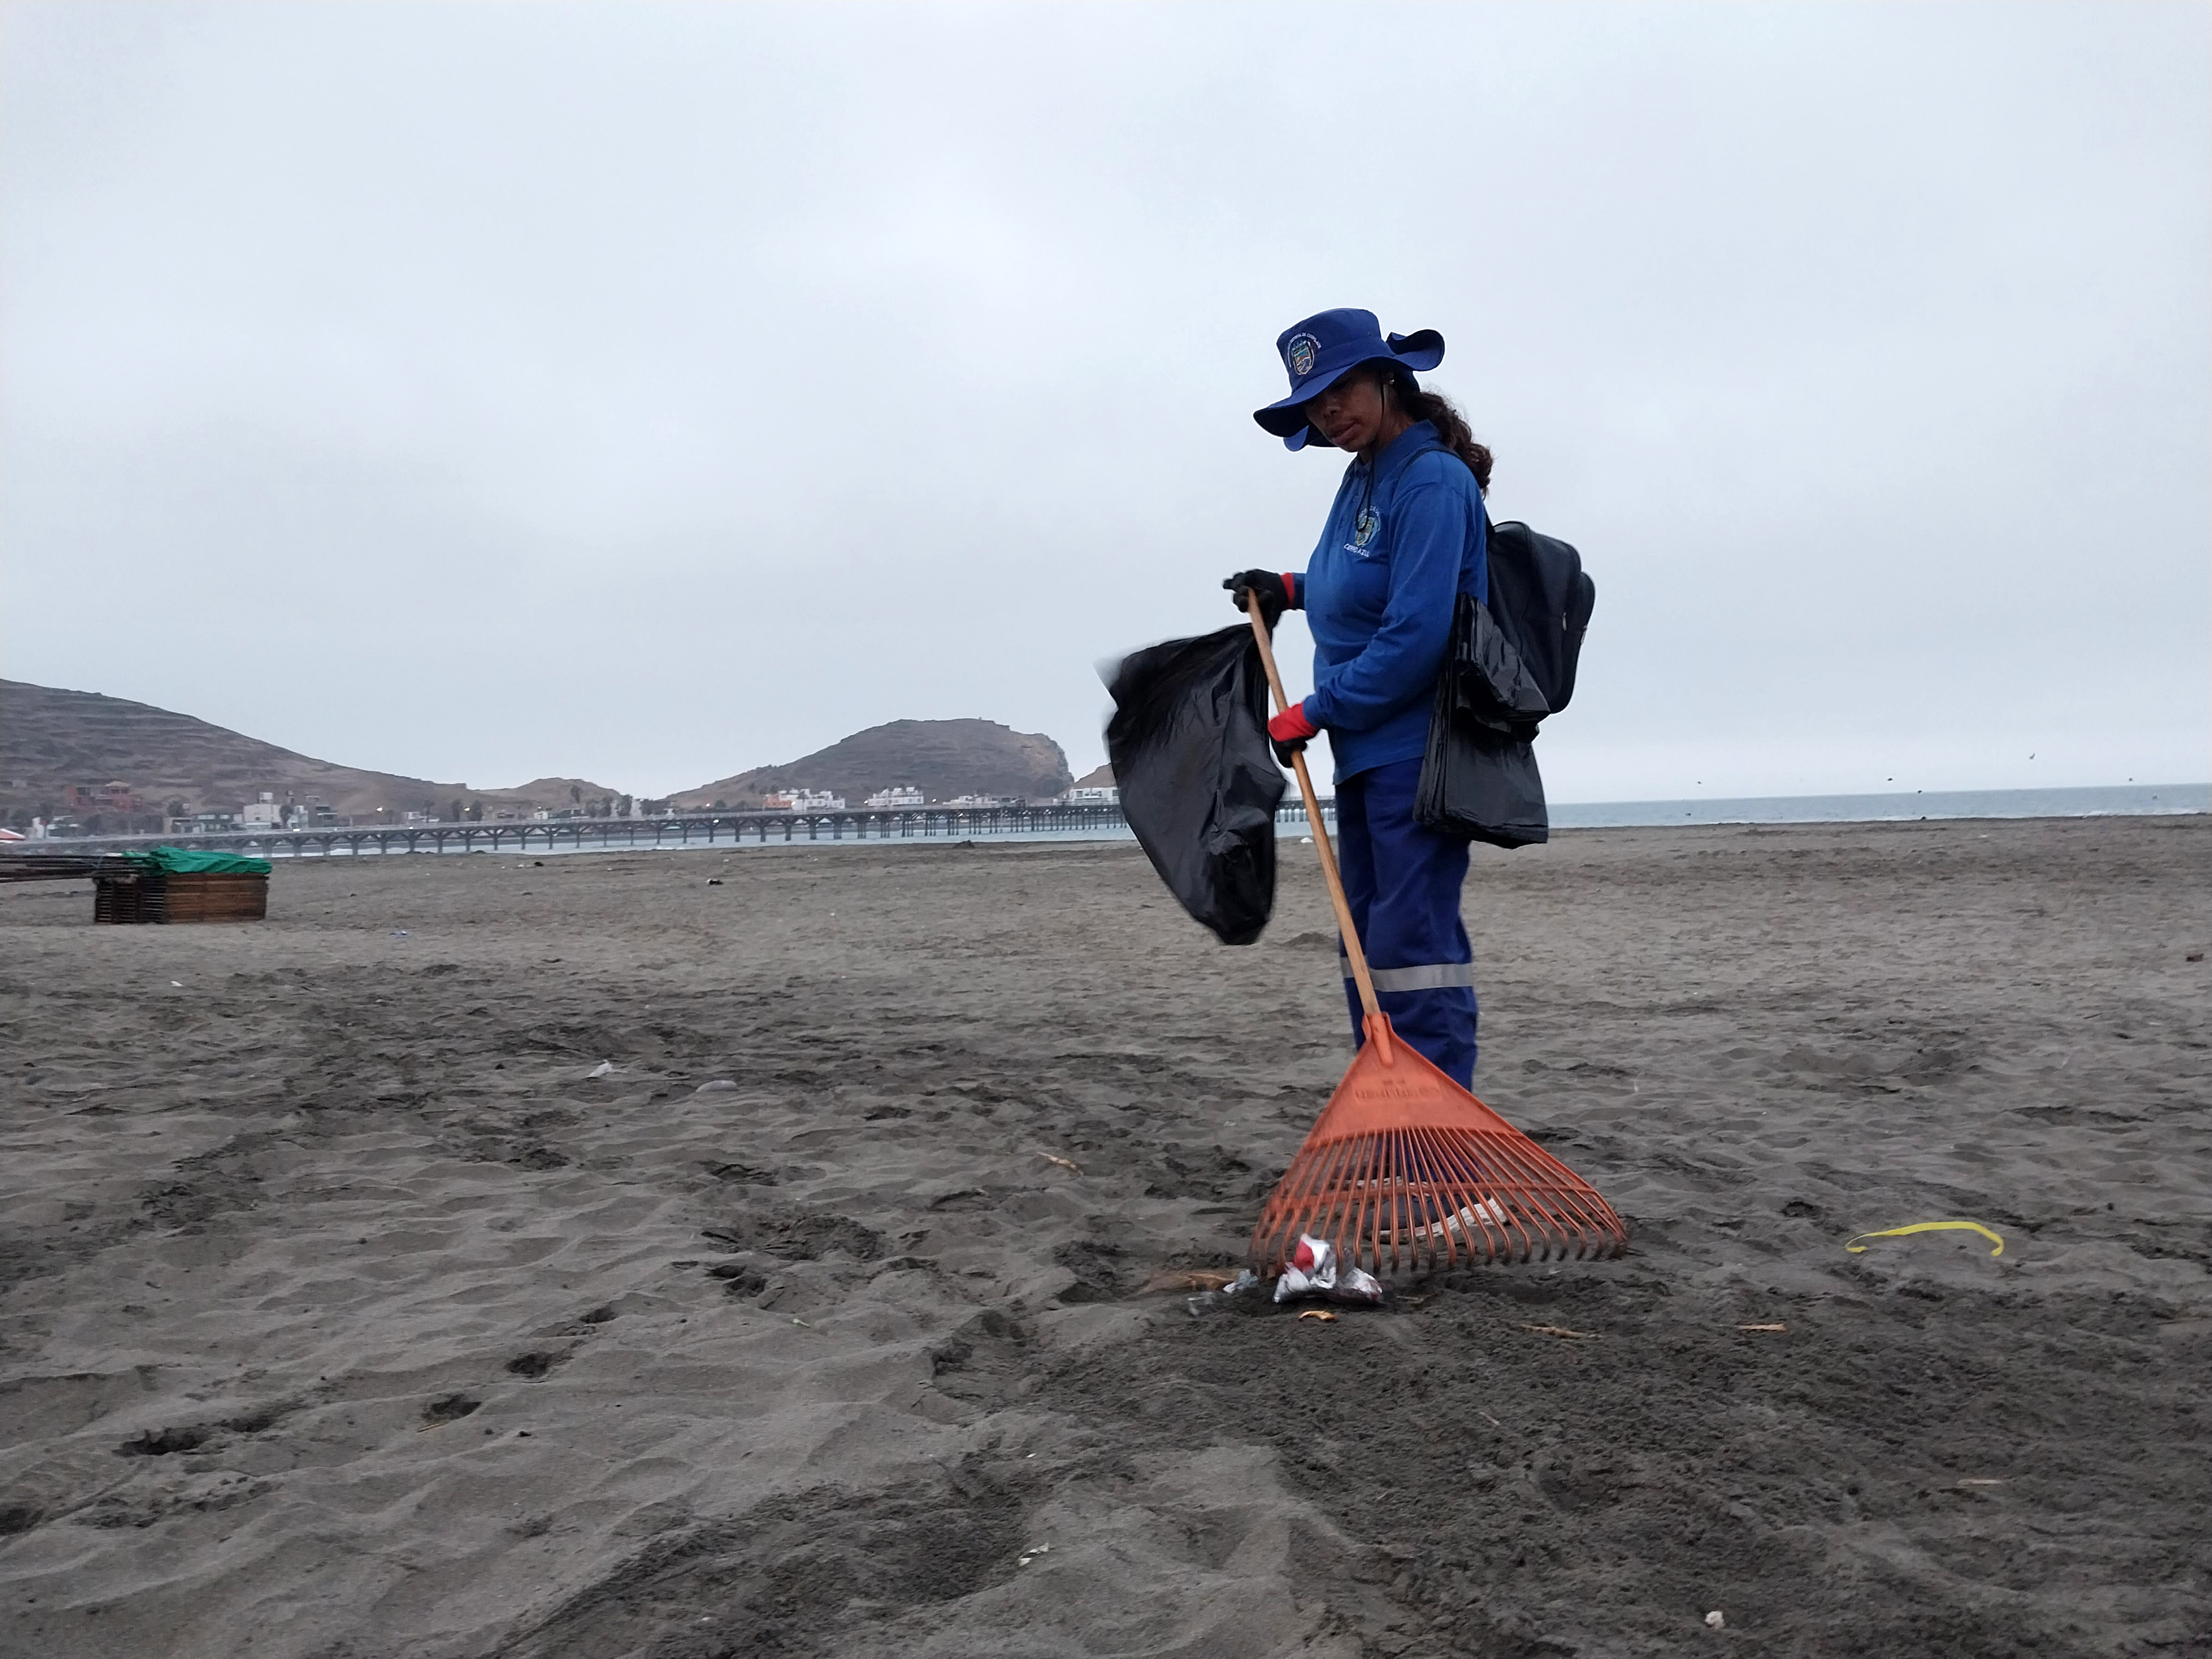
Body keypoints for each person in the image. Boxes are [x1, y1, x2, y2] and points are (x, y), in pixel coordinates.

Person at [1225, 307, 1493, 1087]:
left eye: (1339, 389)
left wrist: (1313, 710)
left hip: (1423, 753)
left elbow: (1416, 636)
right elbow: (1362, 585)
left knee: (1415, 950)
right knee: (1367, 945)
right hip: (1366, 756)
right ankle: (1395, 1127)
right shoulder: (1363, 475)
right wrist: (1289, 590)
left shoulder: (1433, 481)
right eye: (1313, 402)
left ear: (1386, 377)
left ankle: (1453, 1173)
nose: (1328, 412)